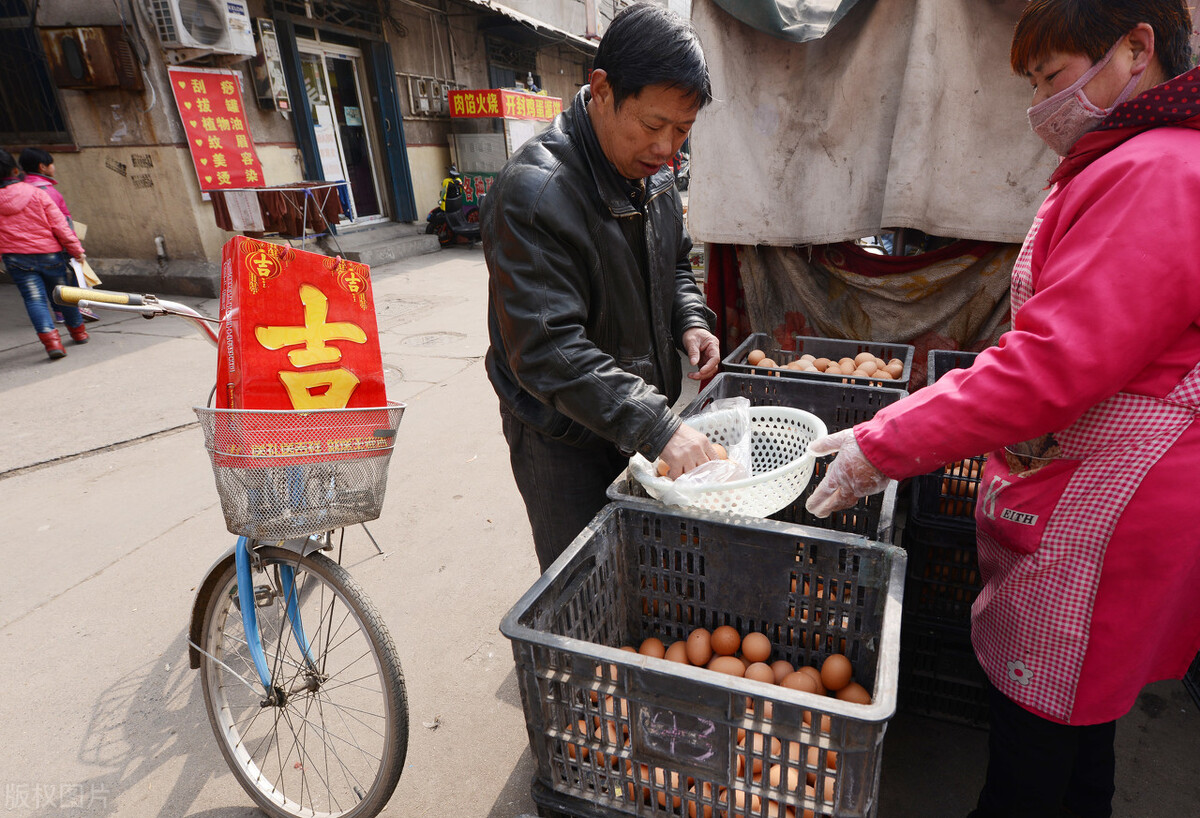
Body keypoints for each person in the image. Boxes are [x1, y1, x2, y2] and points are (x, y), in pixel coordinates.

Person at [804, 2, 1200, 816]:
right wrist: (898, 426)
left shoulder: (1158, 171)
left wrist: (886, 443)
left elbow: (1047, 367)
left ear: (1137, 49)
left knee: (1037, 752)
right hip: (1087, 486)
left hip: (1106, 508)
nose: (1039, 106)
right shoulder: (1131, 158)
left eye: (1051, 77)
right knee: (1078, 732)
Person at [482, 2, 721, 573]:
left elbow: (674, 264)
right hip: (563, 438)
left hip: (630, 420)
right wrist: (661, 426)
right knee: (584, 581)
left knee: (641, 572)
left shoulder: (652, 175)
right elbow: (548, 351)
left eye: (683, 130)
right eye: (654, 125)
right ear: (603, 89)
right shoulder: (535, 194)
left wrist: (690, 317)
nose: (668, 149)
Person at [0, 148, 88, 359]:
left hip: (16, 259)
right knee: (62, 295)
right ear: (15, 170)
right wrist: (77, 251)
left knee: (34, 300)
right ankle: (78, 332)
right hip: (50, 255)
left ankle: (52, 343)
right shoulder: (37, 193)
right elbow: (61, 226)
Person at [18, 147, 97, 323]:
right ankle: (79, 308)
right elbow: (59, 222)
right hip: (55, 243)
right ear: (42, 167)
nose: (54, 167)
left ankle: (60, 312)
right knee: (77, 272)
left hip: (30, 246)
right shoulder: (46, 192)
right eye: (51, 163)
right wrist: (74, 246)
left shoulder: (20, 189)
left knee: (48, 282)